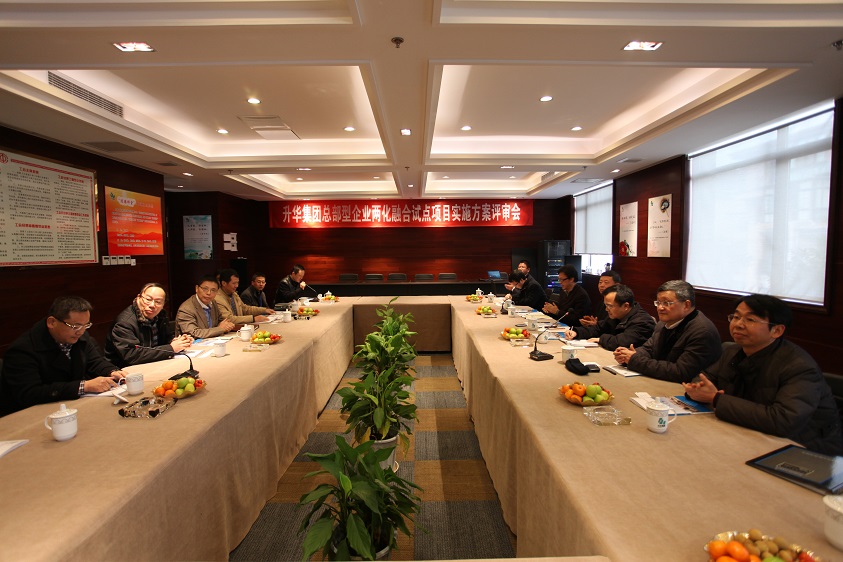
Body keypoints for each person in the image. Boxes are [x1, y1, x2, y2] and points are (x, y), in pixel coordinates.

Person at [683, 294, 843, 455]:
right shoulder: (732, 351)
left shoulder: (800, 367)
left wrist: (716, 399)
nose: (738, 324)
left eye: (750, 319)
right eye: (736, 317)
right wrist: (698, 389)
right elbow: (704, 378)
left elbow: (783, 420)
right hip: (746, 432)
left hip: (804, 450)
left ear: (777, 330)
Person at [0, 296, 127, 416]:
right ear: (52, 322)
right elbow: (30, 393)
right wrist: (83, 386)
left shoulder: (79, 336)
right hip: (37, 413)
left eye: (86, 325)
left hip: (72, 405)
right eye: (75, 326)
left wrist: (112, 371)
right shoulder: (22, 350)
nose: (81, 331)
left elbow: (94, 361)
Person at [613, 280, 721, 383]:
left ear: (686, 305)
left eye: (666, 303)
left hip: (683, 388)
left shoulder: (702, 331)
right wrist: (628, 354)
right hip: (661, 381)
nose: (660, 308)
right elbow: (649, 349)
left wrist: (634, 360)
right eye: (658, 302)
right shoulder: (664, 323)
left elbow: (681, 372)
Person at [105, 283, 193, 367]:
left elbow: (165, 338)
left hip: (153, 362)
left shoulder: (161, 315)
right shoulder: (124, 323)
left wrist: (178, 341)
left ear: (163, 304)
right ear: (138, 298)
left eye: (158, 302)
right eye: (148, 299)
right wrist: (171, 348)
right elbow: (131, 356)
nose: (152, 305)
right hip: (125, 369)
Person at [564, 284, 654, 350]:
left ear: (626, 306)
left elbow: (622, 342)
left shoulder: (643, 321)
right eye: (606, 305)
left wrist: (600, 339)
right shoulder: (617, 315)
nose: (606, 309)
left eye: (610, 306)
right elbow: (597, 328)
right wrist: (576, 332)